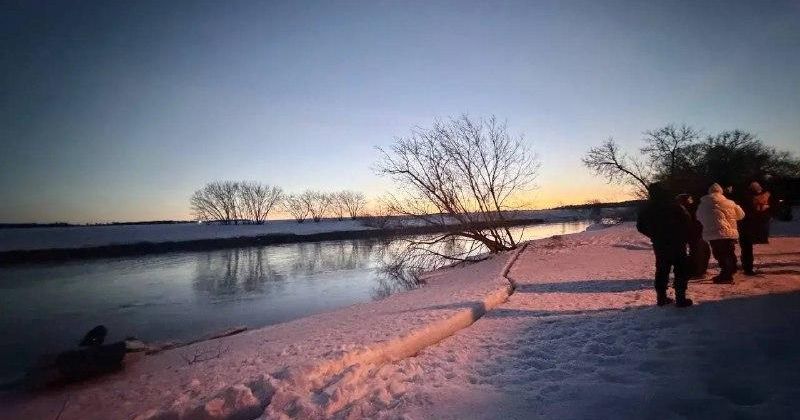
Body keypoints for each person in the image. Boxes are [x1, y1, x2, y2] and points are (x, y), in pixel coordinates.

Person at [637, 182, 694, 307]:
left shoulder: (647, 209)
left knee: (662, 270)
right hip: (677, 242)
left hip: (660, 244)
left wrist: (653, 235)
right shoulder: (675, 206)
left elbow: (640, 227)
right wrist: (682, 235)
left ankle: (661, 298)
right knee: (681, 269)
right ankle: (680, 298)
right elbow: (687, 221)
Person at [696, 183, 745, 284]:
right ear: (721, 191)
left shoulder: (703, 204)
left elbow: (698, 217)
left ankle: (726, 275)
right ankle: (730, 271)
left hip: (713, 234)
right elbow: (741, 215)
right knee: (729, 252)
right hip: (729, 233)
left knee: (720, 254)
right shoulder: (730, 203)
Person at [737, 181, 771, 275]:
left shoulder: (744, 197)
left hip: (744, 226)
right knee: (747, 249)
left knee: (746, 248)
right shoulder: (758, 198)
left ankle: (747, 268)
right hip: (750, 226)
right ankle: (748, 268)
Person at [676, 193, 710, 278]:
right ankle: (698, 271)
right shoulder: (692, 208)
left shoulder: (685, 209)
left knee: (698, 251)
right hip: (697, 233)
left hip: (695, 233)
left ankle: (697, 271)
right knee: (700, 251)